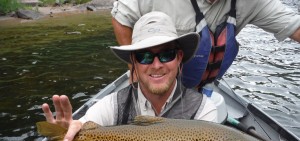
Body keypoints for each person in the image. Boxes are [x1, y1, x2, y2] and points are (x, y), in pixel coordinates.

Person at [42, 12, 242, 141]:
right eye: (145, 56)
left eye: (167, 54)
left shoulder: (203, 110)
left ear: (179, 58)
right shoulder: (110, 107)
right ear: (134, 63)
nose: (156, 65)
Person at [111, 0, 300, 88]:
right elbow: (121, 17)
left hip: (200, 86)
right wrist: (134, 68)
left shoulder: (254, 2)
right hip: (154, 83)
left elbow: (295, 26)